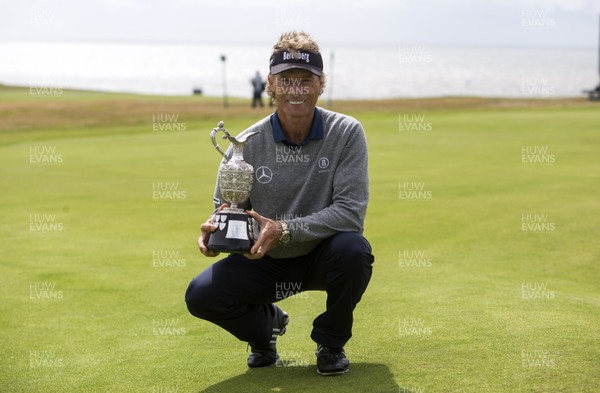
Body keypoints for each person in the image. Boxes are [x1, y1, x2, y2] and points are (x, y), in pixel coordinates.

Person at [185, 31, 374, 376]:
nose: (296, 91)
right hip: (265, 260)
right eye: (286, 81)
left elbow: (351, 213)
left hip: (323, 256)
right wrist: (214, 233)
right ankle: (265, 330)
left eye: (306, 81)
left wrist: (285, 229)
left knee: (354, 249)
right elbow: (227, 209)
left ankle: (331, 343)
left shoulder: (347, 132)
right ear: (270, 84)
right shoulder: (245, 144)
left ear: (321, 84)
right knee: (200, 296)